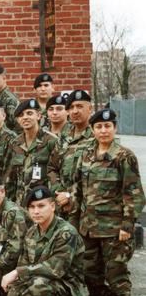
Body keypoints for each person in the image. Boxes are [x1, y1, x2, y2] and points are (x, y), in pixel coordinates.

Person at [70, 108, 145, 296]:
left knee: (116, 276)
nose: (103, 130)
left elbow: (134, 194)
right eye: (99, 127)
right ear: (92, 130)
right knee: (91, 274)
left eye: (108, 126)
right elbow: (78, 191)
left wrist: (127, 225)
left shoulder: (124, 156)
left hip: (114, 230)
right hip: (89, 228)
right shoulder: (86, 155)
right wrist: (75, 223)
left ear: (114, 128)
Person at [0, 186, 86, 296]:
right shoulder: (32, 233)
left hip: (67, 292)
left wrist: (17, 272)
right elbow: (23, 267)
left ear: (52, 206)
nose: (36, 211)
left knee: (38, 282)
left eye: (41, 206)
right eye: (32, 207)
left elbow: (54, 269)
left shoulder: (66, 232)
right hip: (42, 288)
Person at [48, 90, 94, 219]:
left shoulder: (98, 136)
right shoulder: (64, 136)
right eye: (71, 107)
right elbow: (52, 167)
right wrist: (59, 192)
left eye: (80, 106)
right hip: (62, 207)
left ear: (90, 109)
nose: (75, 111)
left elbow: (96, 176)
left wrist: (69, 195)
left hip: (87, 209)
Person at [4, 99, 57, 205]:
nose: (25, 117)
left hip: (42, 203)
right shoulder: (15, 143)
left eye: (29, 113)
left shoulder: (51, 141)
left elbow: (57, 174)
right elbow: (10, 177)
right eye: (21, 115)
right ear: (18, 120)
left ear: (38, 116)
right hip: (20, 204)